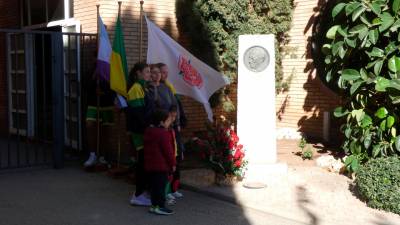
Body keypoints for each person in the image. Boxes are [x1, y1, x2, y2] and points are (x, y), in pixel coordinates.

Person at [157, 63, 186, 198]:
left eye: (166, 72)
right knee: (167, 159)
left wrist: (177, 122)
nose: (165, 75)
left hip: (173, 126)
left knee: (176, 156)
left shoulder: (168, 87)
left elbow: (175, 106)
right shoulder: (156, 88)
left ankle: (174, 188)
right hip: (164, 126)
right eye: (162, 72)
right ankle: (166, 190)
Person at [126, 62, 152, 206]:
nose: (149, 74)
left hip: (144, 130)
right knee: (141, 163)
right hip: (140, 132)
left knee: (144, 163)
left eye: (149, 71)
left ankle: (142, 192)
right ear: (138, 73)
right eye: (147, 71)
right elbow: (138, 114)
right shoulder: (136, 89)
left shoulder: (143, 87)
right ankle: (137, 195)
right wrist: (148, 128)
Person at [144, 109, 176, 215]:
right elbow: (168, 152)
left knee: (154, 187)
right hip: (161, 166)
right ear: (161, 122)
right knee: (161, 188)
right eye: (167, 120)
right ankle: (160, 206)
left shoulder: (149, 131)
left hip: (150, 166)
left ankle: (154, 206)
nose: (169, 122)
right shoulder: (163, 134)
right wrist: (173, 164)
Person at [83, 65, 115, 168]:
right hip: (93, 104)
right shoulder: (90, 70)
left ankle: (104, 156)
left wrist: (105, 92)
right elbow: (85, 87)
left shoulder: (112, 69)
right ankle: (92, 155)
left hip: (107, 105)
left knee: (106, 131)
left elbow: (116, 87)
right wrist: (93, 78)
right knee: (89, 125)